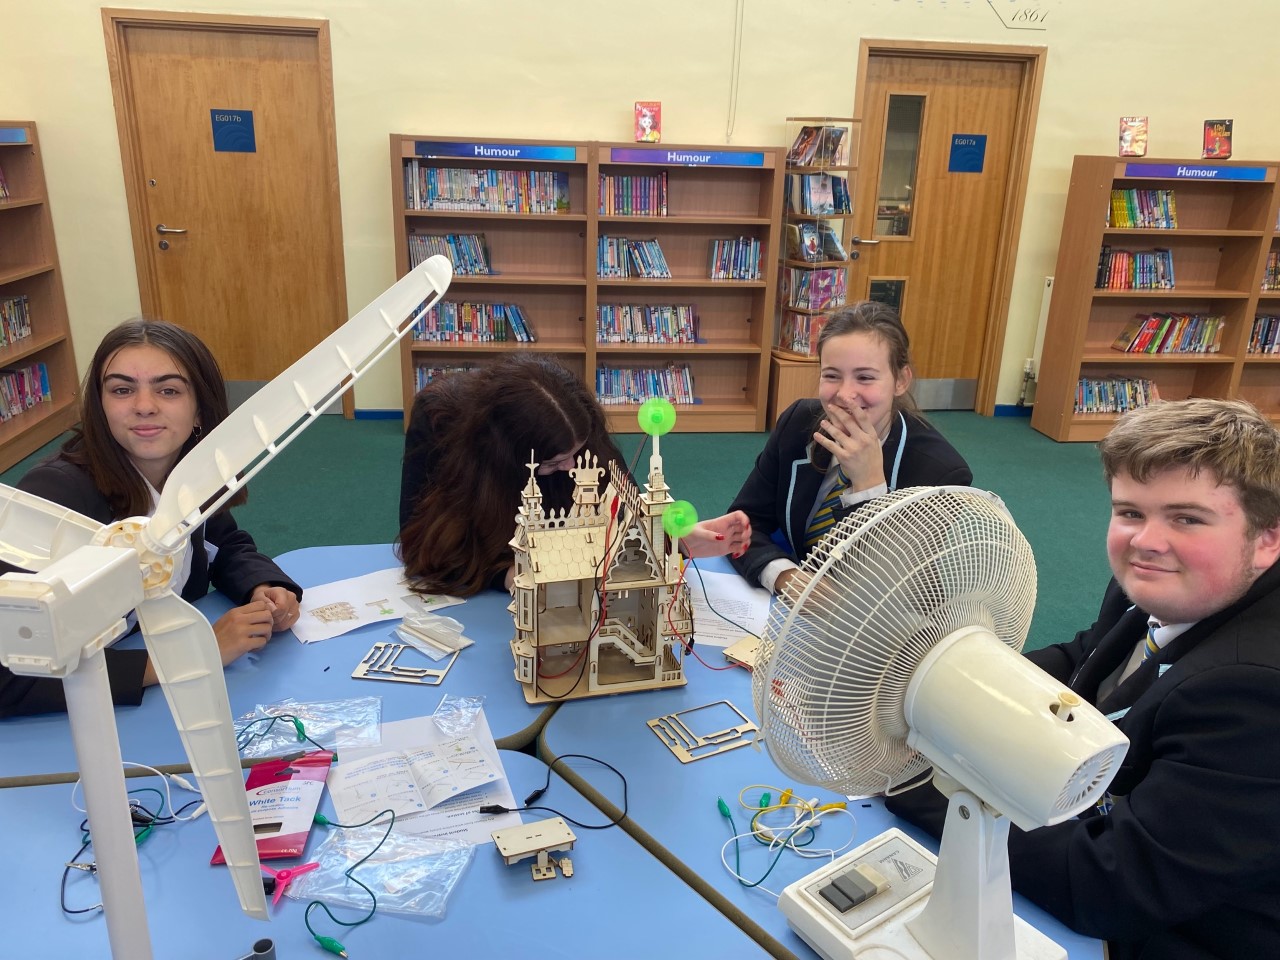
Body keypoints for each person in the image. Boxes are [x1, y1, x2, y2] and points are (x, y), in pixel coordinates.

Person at [886, 397, 1280, 958]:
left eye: (1187, 518)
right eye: (1130, 512)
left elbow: (1111, 882)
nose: (1146, 541)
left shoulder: (1258, 692)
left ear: (1267, 538)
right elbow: (1084, 663)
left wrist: (915, 779)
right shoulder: (1157, 584)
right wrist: (948, 681)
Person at [0, 319, 302, 718]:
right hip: (74, 723)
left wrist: (262, 585)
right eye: (122, 390)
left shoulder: (189, 473)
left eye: (169, 390)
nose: (144, 406)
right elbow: (10, 674)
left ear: (200, 412)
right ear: (101, 406)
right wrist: (190, 655)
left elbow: (222, 544)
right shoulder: (56, 495)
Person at [398, 353, 750, 597]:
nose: (569, 467)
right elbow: (427, 550)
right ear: (504, 458)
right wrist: (507, 574)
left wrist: (673, 539)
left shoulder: (578, 429)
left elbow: (620, 509)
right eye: (553, 462)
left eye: (576, 452)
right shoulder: (438, 419)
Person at [727, 301, 971, 594]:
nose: (844, 395)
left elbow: (890, 584)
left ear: (900, 381)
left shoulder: (940, 472)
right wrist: (783, 576)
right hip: (795, 613)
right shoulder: (798, 423)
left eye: (865, 377)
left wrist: (869, 487)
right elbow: (741, 524)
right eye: (831, 375)